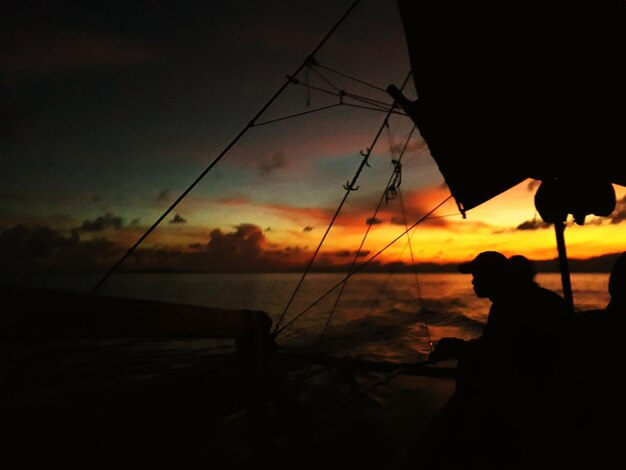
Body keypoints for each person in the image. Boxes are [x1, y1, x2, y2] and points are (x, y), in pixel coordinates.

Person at [424, 251, 569, 469]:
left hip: (534, 400)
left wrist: (457, 348)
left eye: (477, 275)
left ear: (493, 277)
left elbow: (500, 351)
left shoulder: (512, 304)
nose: (472, 281)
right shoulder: (525, 298)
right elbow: (497, 345)